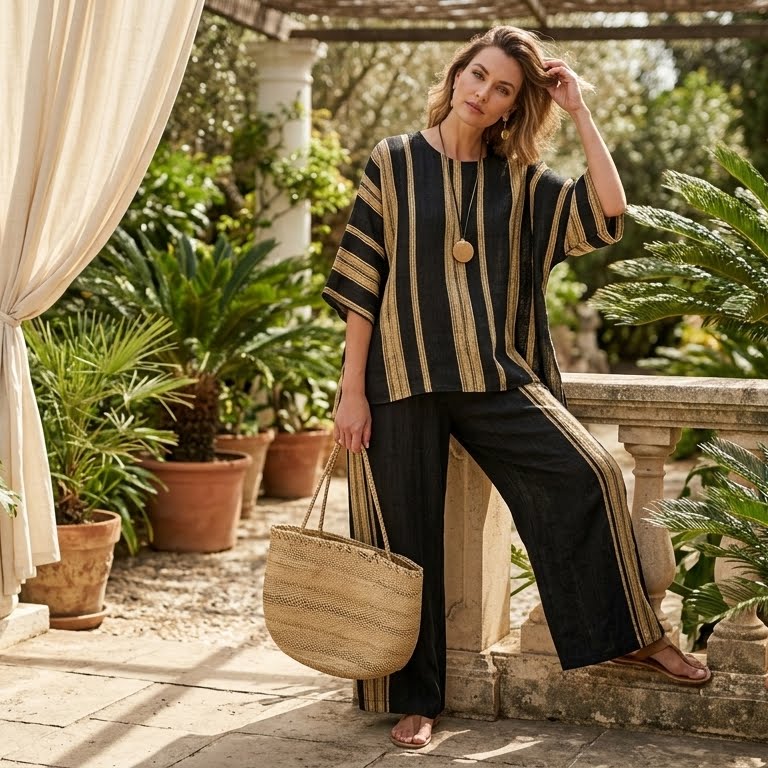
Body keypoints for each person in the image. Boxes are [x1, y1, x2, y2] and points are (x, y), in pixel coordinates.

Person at [322, 25, 710, 750]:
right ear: (456, 74)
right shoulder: (393, 160)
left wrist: (579, 109)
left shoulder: (522, 182)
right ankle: (416, 699)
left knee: (589, 471)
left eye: (502, 88)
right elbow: (362, 284)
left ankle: (630, 637)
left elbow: (609, 211)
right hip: (400, 377)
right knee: (404, 539)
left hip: (494, 377)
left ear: (513, 105)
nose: (483, 93)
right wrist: (351, 392)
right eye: (478, 75)